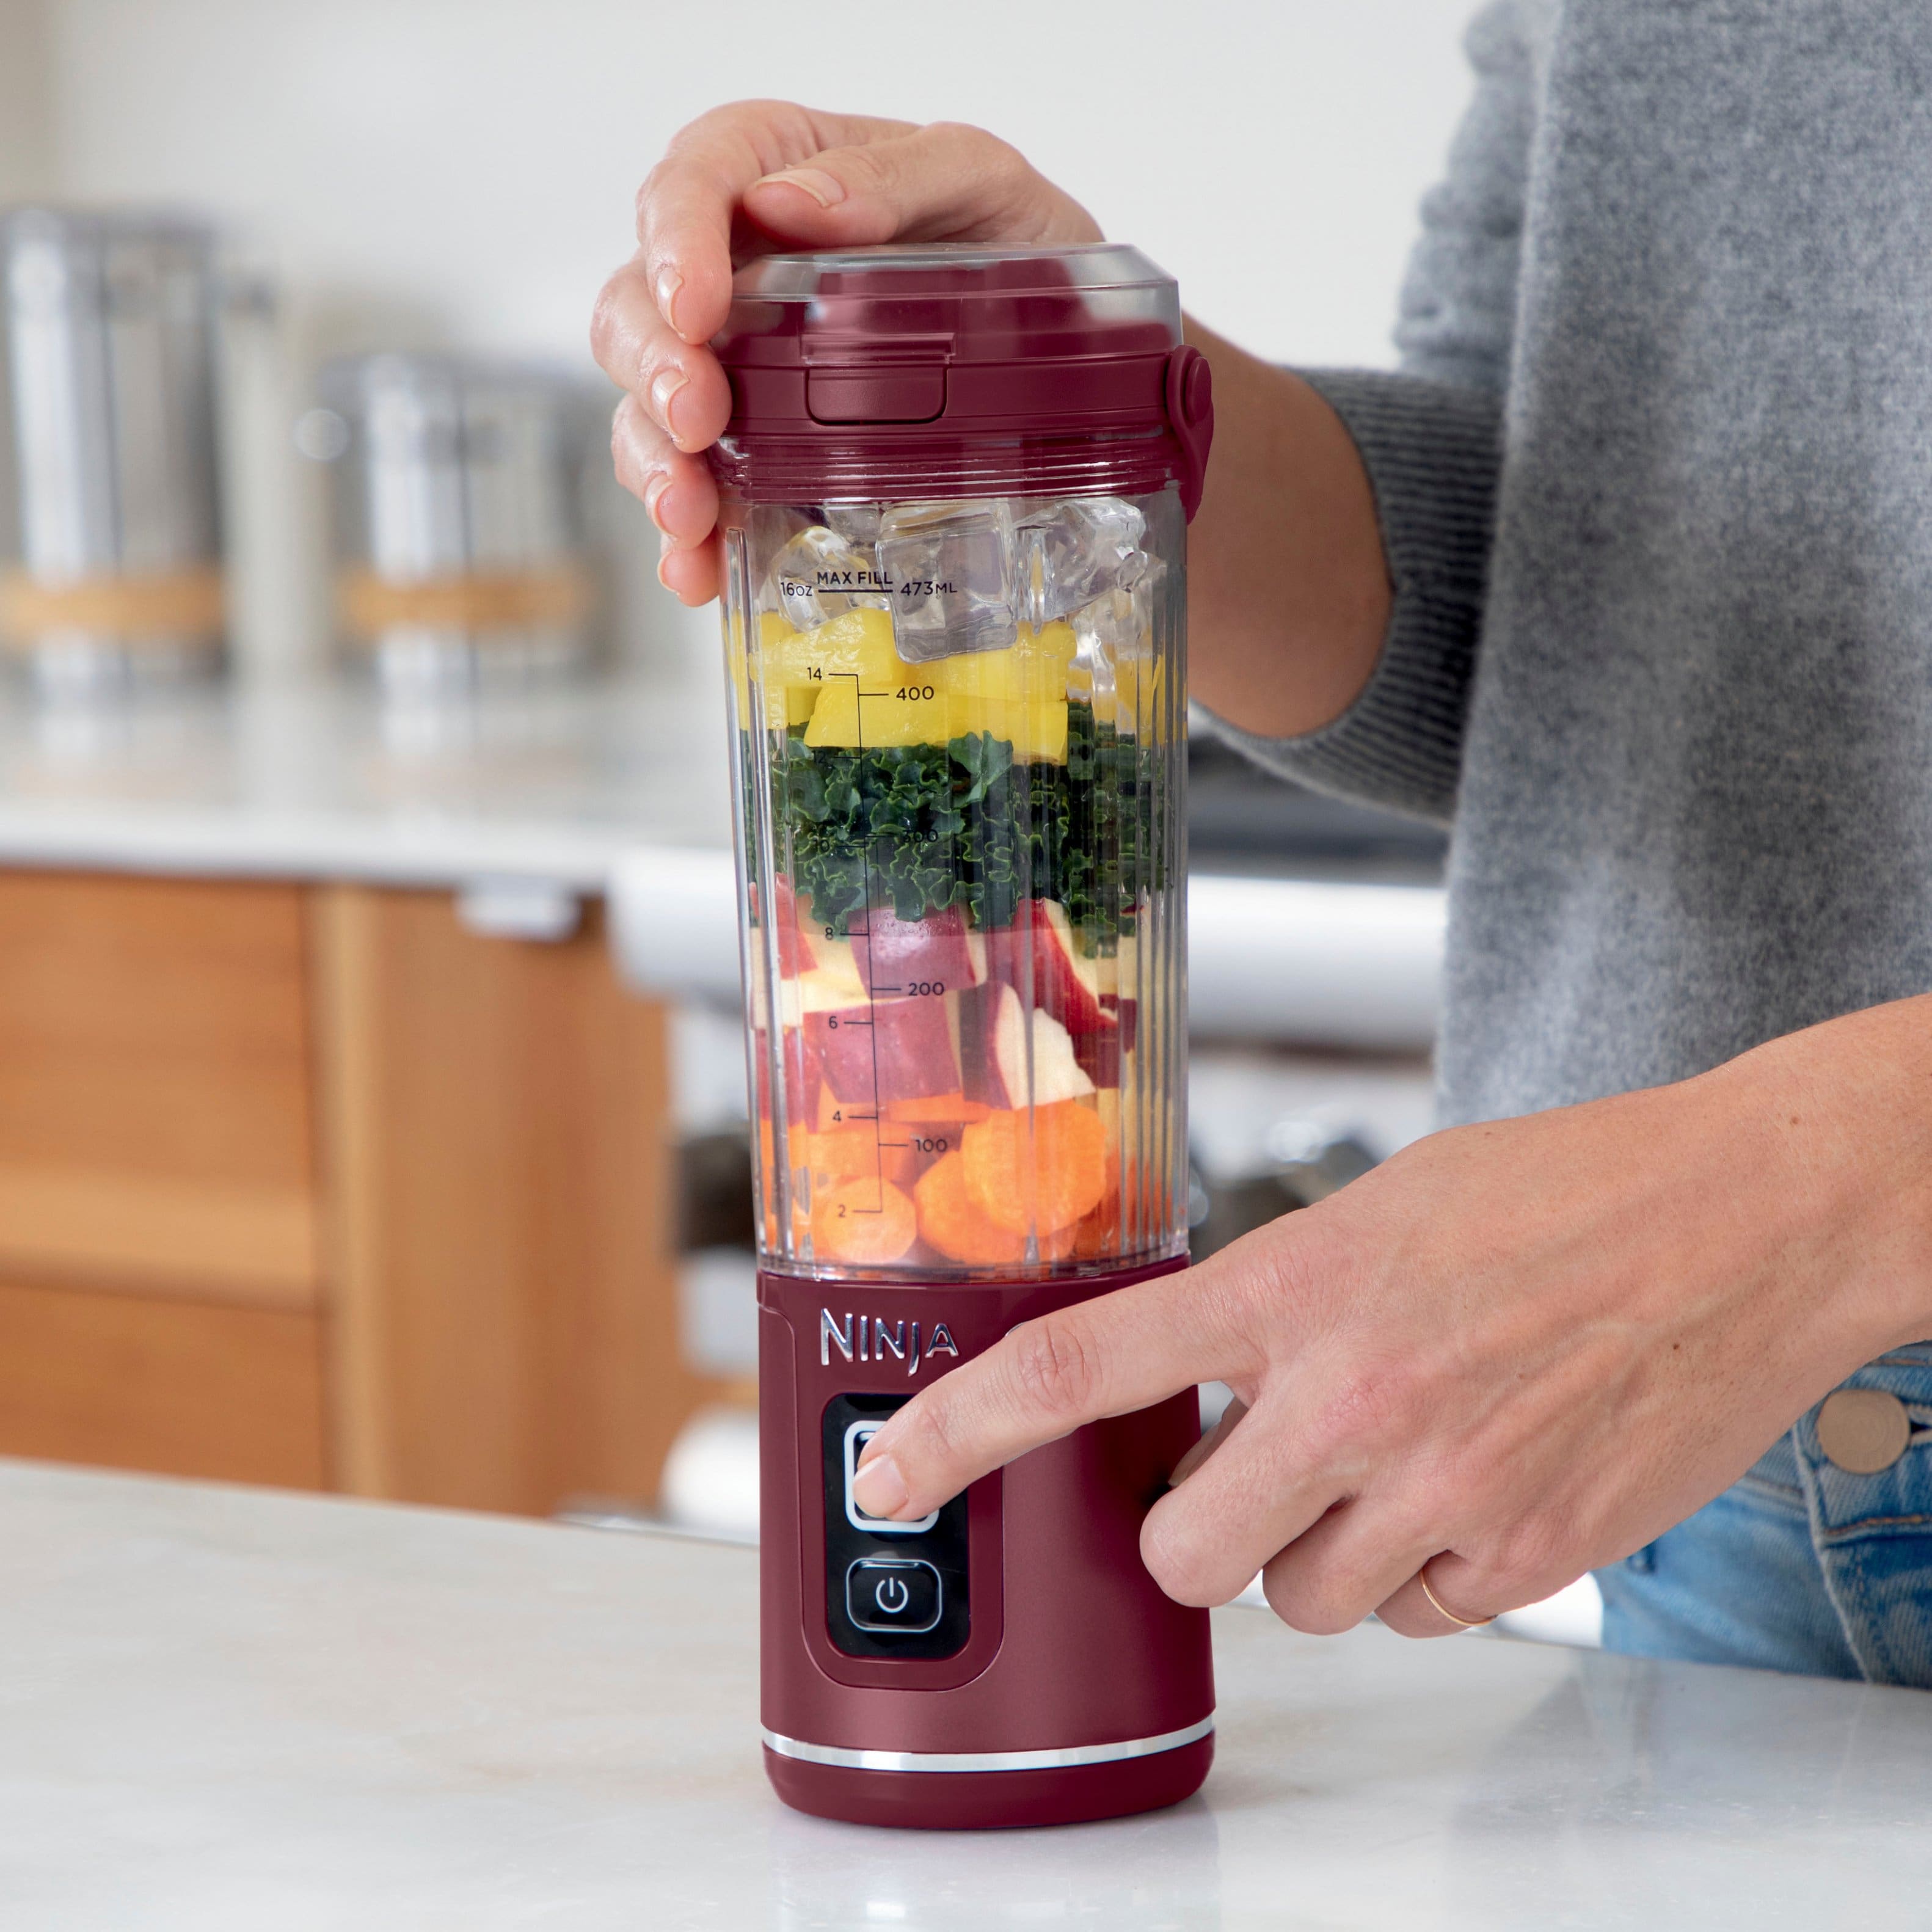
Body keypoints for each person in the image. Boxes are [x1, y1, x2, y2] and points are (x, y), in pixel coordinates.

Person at [592, 5, 1932, 1685]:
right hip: (1717, 1500)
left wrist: (1809, 1201)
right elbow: (1552, 593)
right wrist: (1072, 391)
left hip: (1725, 1298)